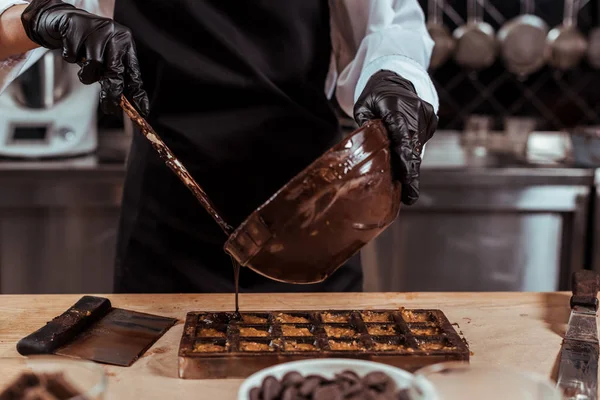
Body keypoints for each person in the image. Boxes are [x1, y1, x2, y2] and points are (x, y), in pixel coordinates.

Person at [0, 0, 438, 294]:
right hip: (167, 231)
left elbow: (389, 23)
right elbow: (6, 23)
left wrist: (394, 79)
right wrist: (39, 17)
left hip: (317, 217)